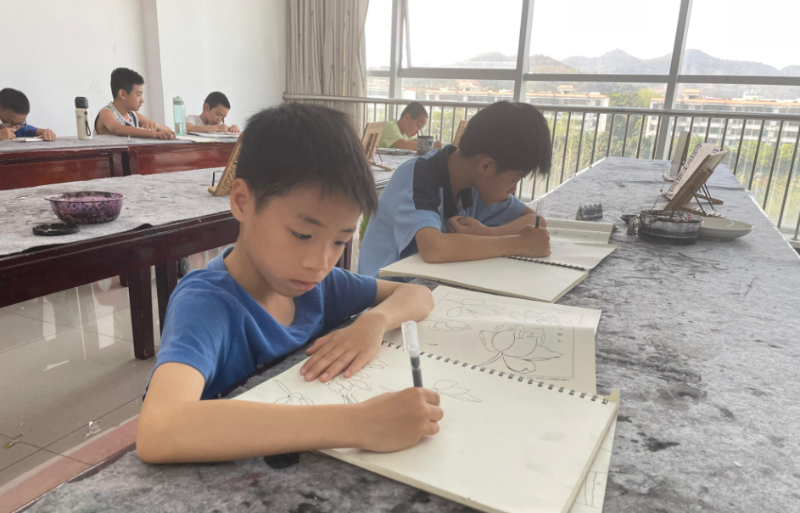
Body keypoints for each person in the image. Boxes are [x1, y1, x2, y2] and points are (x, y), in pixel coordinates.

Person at [136, 103, 441, 464]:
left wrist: (373, 322)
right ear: (242, 202)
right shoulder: (205, 304)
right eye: (301, 234)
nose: (321, 262)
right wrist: (358, 423)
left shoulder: (321, 286)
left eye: (340, 241)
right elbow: (159, 429)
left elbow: (418, 293)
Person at [358, 101, 552, 279]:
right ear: (486, 166)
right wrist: (518, 244)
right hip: (383, 292)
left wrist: (488, 233)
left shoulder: (477, 182)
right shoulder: (420, 174)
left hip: (429, 282)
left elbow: (535, 221)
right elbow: (434, 248)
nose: (514, 190)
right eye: (514, 180)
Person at [95, 68, 175, 139]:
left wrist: (156, 126)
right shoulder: (106, 112)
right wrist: (154, 134)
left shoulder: (132, 115)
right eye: (138, 95)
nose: (142, 101)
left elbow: (169, 131)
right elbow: (118, 129)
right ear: (123, 94)